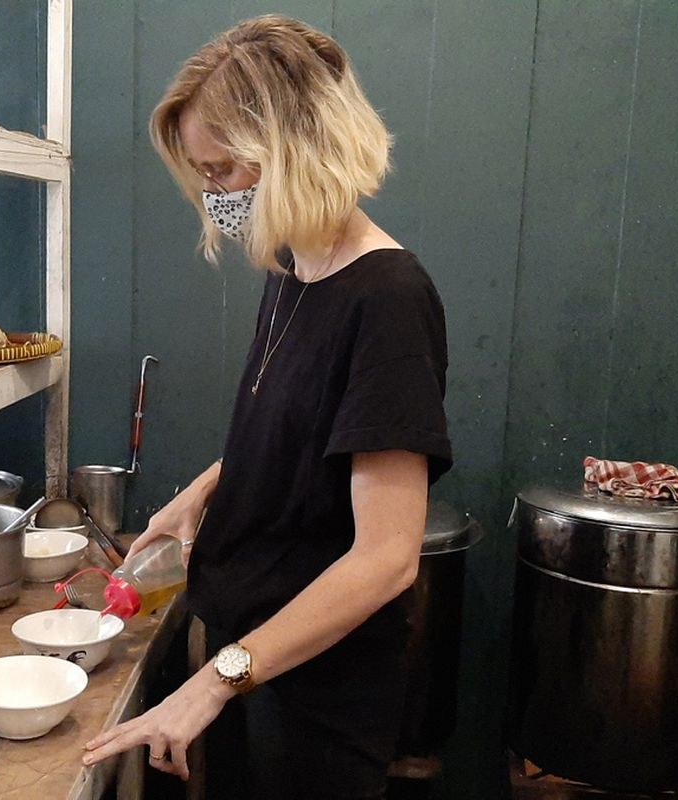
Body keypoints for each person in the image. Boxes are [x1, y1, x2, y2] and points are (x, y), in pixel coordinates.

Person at [82, 14, 451, 800]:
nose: (211, 194)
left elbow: (387, 559)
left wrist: (215, 682)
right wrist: (205, 488)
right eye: (202, 174)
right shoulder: (294, 266)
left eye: (222, 173)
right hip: (251, 655)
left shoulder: (387, 299)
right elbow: (306, 427)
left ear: (292, 151)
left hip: (316, 688)